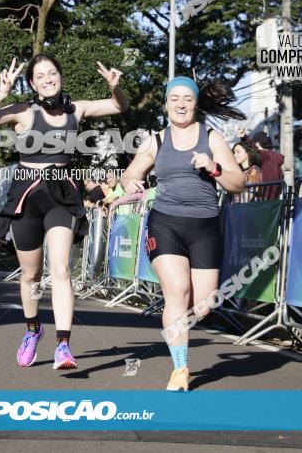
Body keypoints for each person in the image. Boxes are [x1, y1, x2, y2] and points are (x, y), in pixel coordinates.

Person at [0, 54, 128, 370]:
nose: (47, 78)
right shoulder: (24, 112)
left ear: (60, 76)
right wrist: (2, 93)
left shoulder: (76, 109)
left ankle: (63, 346)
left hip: (61, 194)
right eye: (40, 75)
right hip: (27, 194)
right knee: (31, 275)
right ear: (32, 82)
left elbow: (119, 106)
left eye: (52, 72)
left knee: (61, 270)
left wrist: (115, 87)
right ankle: (32, 330)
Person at [120, 77, 245, 391]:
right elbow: (130, 174)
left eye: (187, 98)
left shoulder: (211, 138)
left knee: (203, 306)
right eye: (174, 98)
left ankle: (184, 333)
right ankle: (180, 369)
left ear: (196, 104)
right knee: (177, 291)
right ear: (166, 104)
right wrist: (130, 183)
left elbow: (238, 182)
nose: (180, 104)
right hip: (165, 223)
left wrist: (214, 168)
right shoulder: (156, 141)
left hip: (204, 226)